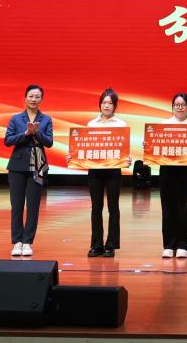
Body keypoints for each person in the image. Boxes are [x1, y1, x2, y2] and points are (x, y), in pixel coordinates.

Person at [67, 88, 131, 258]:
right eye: (104, 102)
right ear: (100, 104)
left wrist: (127, 159)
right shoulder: (92, 124)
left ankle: (111, 245)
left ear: (115, 106)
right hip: (95, 171)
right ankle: (96, 244)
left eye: (110, 103)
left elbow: (124, 149)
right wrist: (73, 156)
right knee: (96, 207)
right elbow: (84, 147)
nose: (106, 105)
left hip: (113, 171)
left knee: (113, 207)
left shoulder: (121, 124)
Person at [4, 84, 53, 257]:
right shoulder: (16, 119)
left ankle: (27, 242)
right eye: (31, 96)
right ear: (25, 98)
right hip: (17, 166)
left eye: (37, 97)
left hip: (37, 167)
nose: (34, 99)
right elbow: (8, 140)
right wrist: (25, 133)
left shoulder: (46, 119)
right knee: (16, 205)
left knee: (33, 206)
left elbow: (49, 142)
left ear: (41, 99)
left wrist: (36, 132)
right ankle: (17, 242)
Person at [157, 93, 187, 259]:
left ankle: (183, 245)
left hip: (186, 171)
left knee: (185, 208)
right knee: (168, 208)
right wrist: (149, 144)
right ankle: (169, 245)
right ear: (172, 107)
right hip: (167, 171)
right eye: (177, 104)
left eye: (183, 105)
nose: (180, 108)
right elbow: (156, 146)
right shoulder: (164, 125)